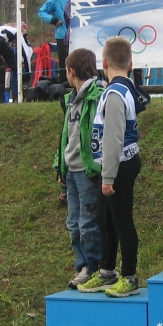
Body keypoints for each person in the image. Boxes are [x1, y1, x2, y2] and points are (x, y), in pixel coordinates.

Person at [77, 37, 150, 297]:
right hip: (111, 166)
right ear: (131, 64)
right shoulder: (118, 89)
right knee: (104, 219)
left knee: (122, 221)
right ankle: (107, 271)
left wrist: (108, 176)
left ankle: (130, 277)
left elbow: (114, 137)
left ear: (104, 62)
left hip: (119, 165)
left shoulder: (116, 93)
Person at [54, 48, 105, 289]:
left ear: (71, 71)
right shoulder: (70, 99)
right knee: (73, 223)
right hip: (71, 170)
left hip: (87, 171)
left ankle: (94, 267)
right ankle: (82, 265)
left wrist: (97, 165)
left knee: (88, 223)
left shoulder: (98, 95)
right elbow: (66, 135)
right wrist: (60, 166)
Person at [38, 0, 71, 82]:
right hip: (62, 36)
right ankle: (63, 87)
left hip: (79, 36)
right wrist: (53, 20)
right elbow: (41, 12)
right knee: (64, 64)